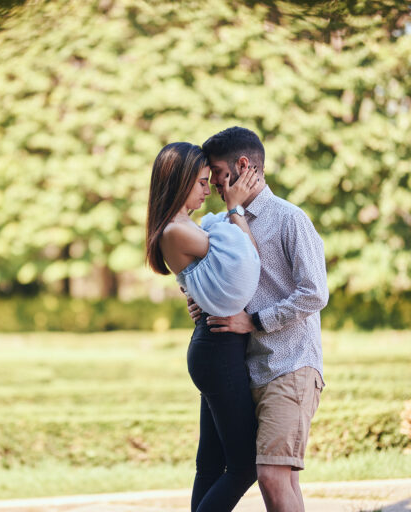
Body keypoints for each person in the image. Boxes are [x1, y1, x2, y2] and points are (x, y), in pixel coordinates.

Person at [188, 127, 329, 512]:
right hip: (248, 368)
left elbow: (315, 292)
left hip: (291, 365)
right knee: (283, 480)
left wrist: (256, 321)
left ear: (243, 166)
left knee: (269, 475)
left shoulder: (290, 219)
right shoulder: (219, 223)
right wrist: (201, 300)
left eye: (216, 172)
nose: (212, 182)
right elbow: (216, 279)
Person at [146, 142, 264, 512]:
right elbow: (246, 258)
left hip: (214, 345)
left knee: (211, 465)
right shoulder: (176, 230)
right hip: (217, 350)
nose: (207, 188)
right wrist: (235, 209)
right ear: (179, 183)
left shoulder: (183, 227)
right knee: (244, 467)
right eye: (200, 182)